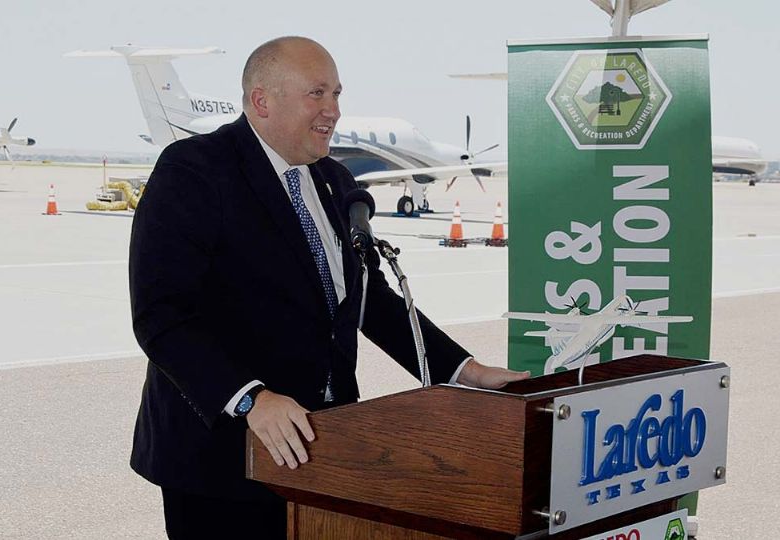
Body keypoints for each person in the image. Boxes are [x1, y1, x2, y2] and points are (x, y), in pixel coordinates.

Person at [128, 36, 529, 539]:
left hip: (326, 445)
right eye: (317, 94)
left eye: (337, 94)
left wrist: (466, 371)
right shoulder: (194, 170)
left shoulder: (335, 181)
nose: (333, 111)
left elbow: (372, 304)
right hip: (222, 458)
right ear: (262, 101)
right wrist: (251, 398)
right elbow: (162, 315)